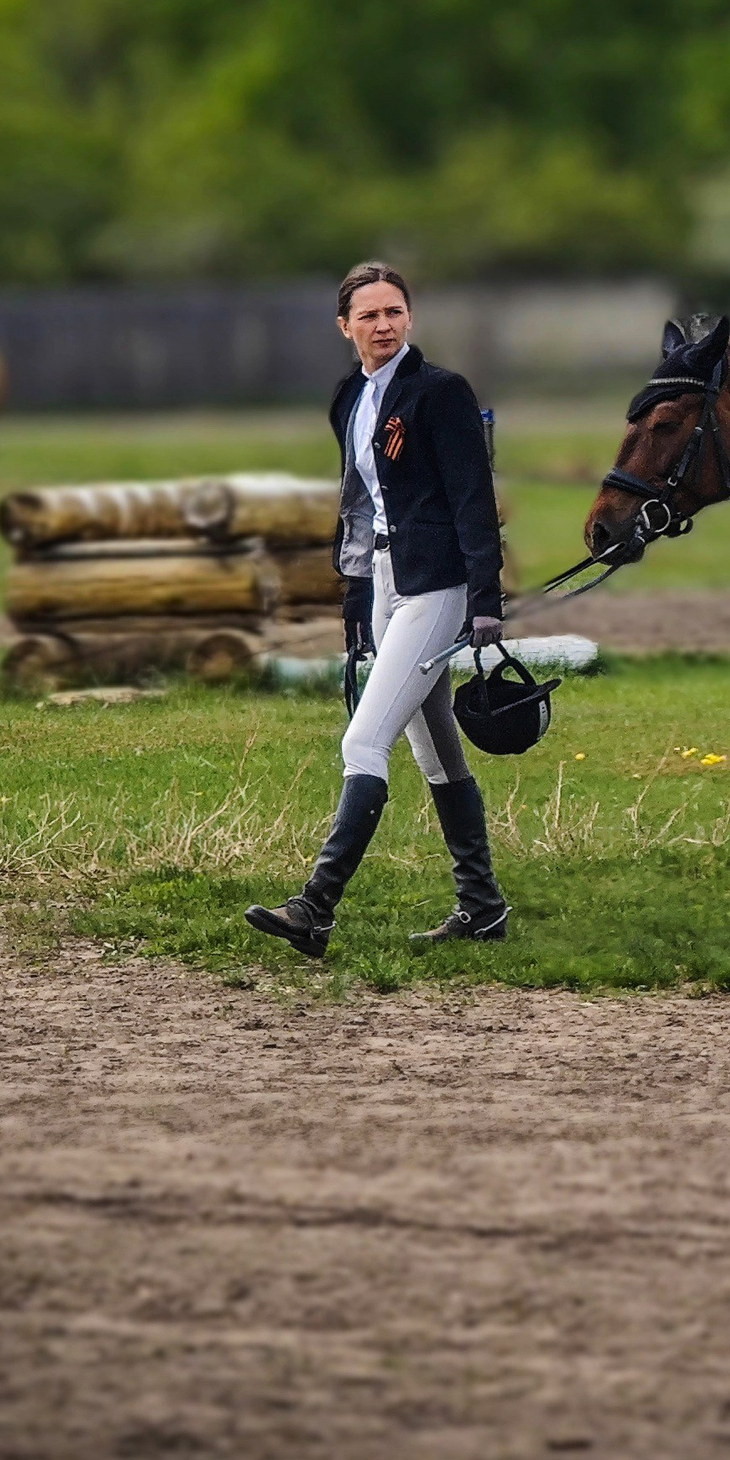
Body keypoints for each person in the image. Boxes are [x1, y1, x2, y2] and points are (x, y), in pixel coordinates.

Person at [245, 262, 510, 957]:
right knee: (435, 748)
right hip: (387, 579)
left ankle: (316, 907)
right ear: (345, 327)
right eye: (369, 315)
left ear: (410, 318)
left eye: (394, 311)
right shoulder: (348, 399)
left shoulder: (441, 393)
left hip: (438, 586)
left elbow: (473, 501)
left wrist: (485, 601)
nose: (383, 324)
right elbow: (357, 507)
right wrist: (356, 599)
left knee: (363, 742)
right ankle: (482, 907)